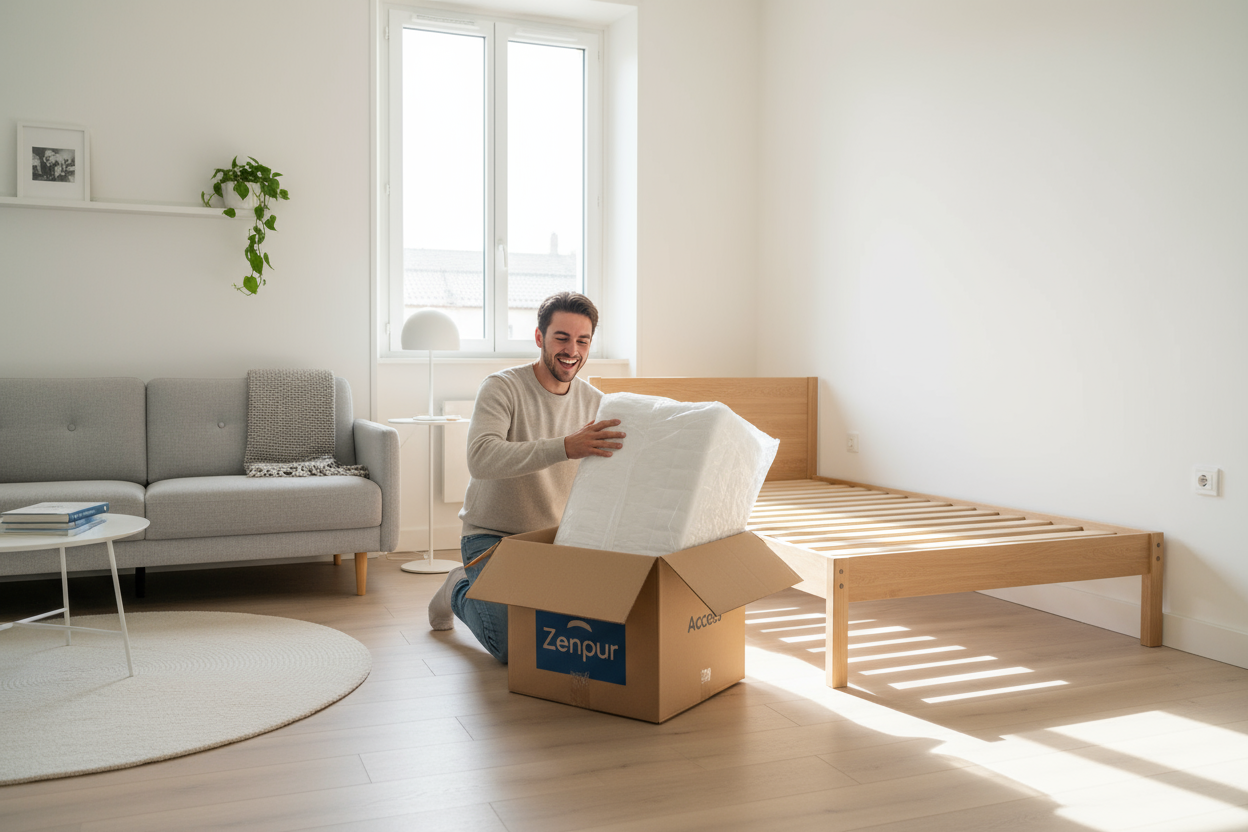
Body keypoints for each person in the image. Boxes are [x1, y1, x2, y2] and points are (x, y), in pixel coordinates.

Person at [427, 291, 625, 662]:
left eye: (582, 340)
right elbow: (481, 458)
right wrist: (565, 446)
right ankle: (458, 587)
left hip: (557, 539)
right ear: (539, 338)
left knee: (574, 637)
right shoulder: (502, 387)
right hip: (492, 535)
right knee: (509, 646)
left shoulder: (597, 402)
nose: (572, 350)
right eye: (561, 338)